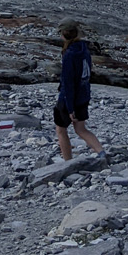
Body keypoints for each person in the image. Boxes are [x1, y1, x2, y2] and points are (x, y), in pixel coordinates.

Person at [53, 19, 104, 161]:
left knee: (61, 130)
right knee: (81, 129)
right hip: (83, 94)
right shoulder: (84, 49)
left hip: (68, 99)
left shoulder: (69, 54)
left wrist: (70, 108)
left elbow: (68, 83)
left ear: (63, 34)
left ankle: (68, 161)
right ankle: (101, 153)